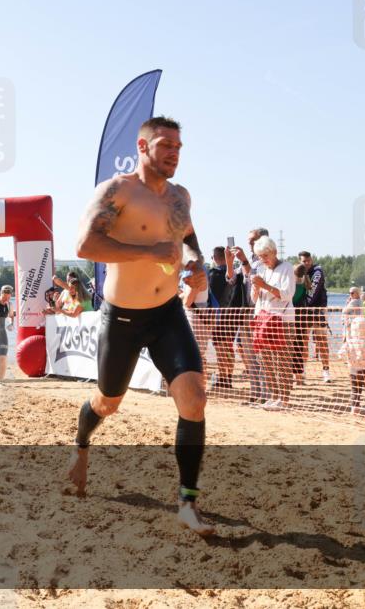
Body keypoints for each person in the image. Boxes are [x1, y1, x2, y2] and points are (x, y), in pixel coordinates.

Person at [69, 116, 212, 536]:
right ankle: (81, 446)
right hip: (122, 318)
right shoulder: (116, 192)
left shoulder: (180, 197)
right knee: (107, 402)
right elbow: (85, 245)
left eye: (179, 147)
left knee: (194, 399)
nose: (174, 152)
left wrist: (197, 267)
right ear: (143, 146)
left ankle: (187, 502)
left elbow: (188, 241)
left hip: (167, 313)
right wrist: (149, 251)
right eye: (166, 144)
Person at [240, 237, 295, 410]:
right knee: (265, 359)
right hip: (262, 319)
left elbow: (287, 294)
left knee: (282, 359)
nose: (263, 259)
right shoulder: (261, 269)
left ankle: (284, 399)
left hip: (281, 320)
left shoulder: (286, 268)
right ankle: (273, 395)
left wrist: (265, 285)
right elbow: (253, 299)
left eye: (265, 255)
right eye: (260, 256)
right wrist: (256, 289)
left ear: (274, 252)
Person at [297, 251, 331, 383]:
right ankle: (303, 370)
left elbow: (313, 291)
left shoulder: (318, 271)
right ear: (300, 261)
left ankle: (326, 371)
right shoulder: (299, 272)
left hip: (318, 310)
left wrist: (304, 306)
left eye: (308, 260)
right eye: (304, 261)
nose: (306, 263)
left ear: (311, 260)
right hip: (305, 312)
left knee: (322, 341)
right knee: (304, 341)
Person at [208, 246, 239, 390]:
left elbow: (211, 296)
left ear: (214, 257)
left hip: (218, 317)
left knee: (221, 348)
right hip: (232, 316)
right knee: (229, 347)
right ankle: (228, 377)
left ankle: (223, 377)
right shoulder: (234, 273)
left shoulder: (213, 274)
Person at [290, 263, 311, 385]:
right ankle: (298, 377)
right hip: (302, 318)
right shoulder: (305, 282)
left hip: (292, 317)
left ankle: (294, 376)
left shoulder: (292, 284)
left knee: (290, 347)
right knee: (299, 346)